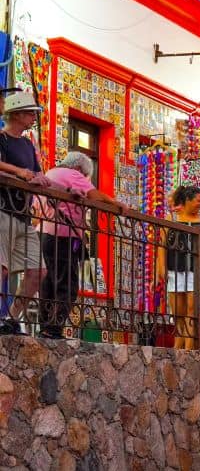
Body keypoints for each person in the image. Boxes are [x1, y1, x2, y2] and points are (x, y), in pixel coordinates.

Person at [38, 152, 127, 339]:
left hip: (44, 233)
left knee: (49, 283)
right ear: (79, 169)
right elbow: (94, 195)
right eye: (86, 177)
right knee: (67, 284)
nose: (85, 180)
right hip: (63, 235)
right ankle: (53, 328)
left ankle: (45, 325)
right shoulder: (72, 174)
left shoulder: (51, 172)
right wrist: (115, 203)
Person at [0, 92, 51, 335]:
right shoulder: (2, 138)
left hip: (23, 215)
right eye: (31, 113)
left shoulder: (28, 144)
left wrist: (39, 180)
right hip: (3, 210)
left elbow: (35, 172)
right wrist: (19, 172)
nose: (33, 117)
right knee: (3, 268)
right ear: (18, 114)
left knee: (38, 271)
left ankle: (11, 317)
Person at [155, 185, 200, 350]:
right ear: (187, 200)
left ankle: (187, 348)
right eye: (198, 201)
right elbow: (161, 245)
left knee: (192, 310)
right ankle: (180, 342)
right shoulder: (171, 219)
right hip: (175, 268)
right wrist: (160, 267)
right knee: (177, 311)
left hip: (198, 270)